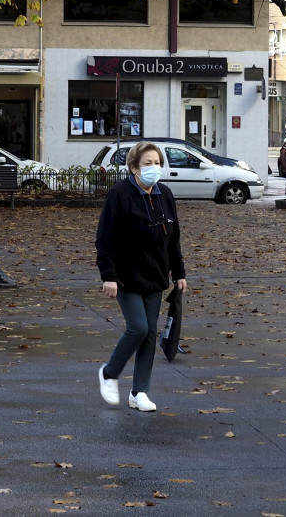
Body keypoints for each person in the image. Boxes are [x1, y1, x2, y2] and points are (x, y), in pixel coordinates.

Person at [95, 141, 187, 412]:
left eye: (157, 163)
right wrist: (108, 275)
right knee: (139, 328)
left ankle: (140, 392)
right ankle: (109, 373)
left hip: (155, 276)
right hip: (126, 277)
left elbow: (174, 238)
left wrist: (179, 273)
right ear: (134, 167)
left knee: (148, 336)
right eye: (147, 164)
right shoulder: (119, 194)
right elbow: (105, 238)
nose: (153, 168)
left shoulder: (165, 195)